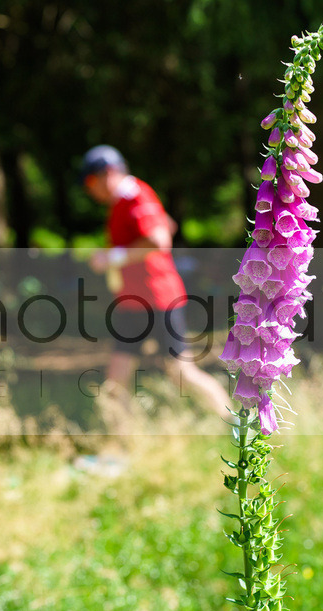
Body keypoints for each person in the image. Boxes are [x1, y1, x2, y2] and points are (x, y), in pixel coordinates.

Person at [81, 145, 230, 421]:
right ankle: (121, 442)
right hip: (131, 303)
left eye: (90, 182)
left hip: (159, 299)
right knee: (115, 379)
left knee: (181, 373)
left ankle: (235, 422)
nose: (89, 190)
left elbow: (160, 240)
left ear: (108, 173)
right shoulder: (122, 201)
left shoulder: (135, 195)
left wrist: (112, 257)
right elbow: (167, 224)